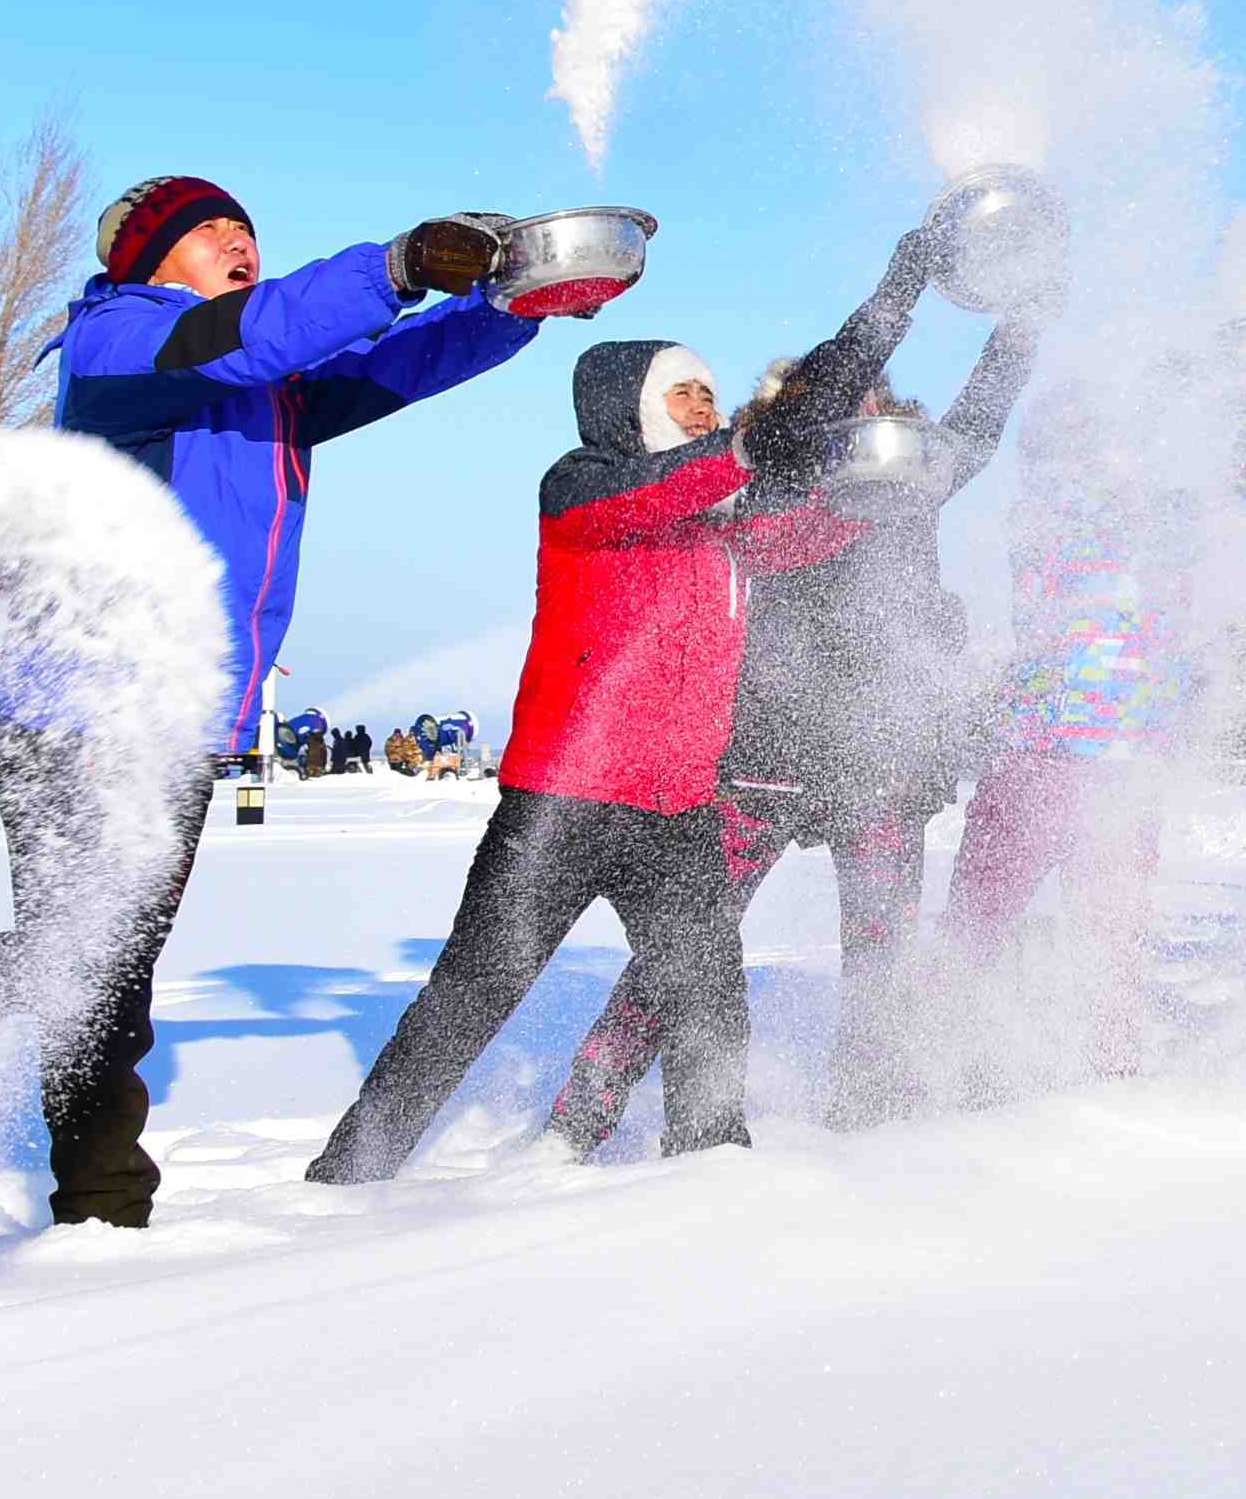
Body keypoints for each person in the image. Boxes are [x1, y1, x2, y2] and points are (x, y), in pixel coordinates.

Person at [0, 174, 537, 1229]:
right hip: (83, 711)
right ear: (148, 260)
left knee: (105, 969)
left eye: (248, 230)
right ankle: (73, 1178)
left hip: (177, 717)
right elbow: (251, 333)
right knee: (97, 968)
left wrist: (515, 303)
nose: (241, 242)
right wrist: (396, 267)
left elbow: (395, 364)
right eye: (212, 232)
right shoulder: (119, 347)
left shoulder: (259, 391)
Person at [311, 288, 901, 1185]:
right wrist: (745, 445)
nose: (705, 408)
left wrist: (879, 481)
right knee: (472, 998)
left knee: (708, 1005)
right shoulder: (581, 487)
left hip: (678, 812)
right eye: (684, 395)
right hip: (564, 806)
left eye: (710, 394)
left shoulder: (723, 526)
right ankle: (352, 1174)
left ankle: (711, 1169)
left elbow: (805, 523)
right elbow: (678, 483)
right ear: (629, 406)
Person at [553, 265, 1038, 1145]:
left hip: (884, 757)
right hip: (765, 753)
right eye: (825, 400)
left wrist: (1021, 330)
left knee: (883, 954)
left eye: (872, 399)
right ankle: (583, 1108)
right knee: (685, 950)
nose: (857, 412)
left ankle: (869, 1122)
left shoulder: (913, 473)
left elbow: (979, 425)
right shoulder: (763, 482)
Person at [946, 318, 1246, 1067]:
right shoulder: (1049, 512)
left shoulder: (1169, 521)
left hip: (1127, 774)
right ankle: (934, 1063)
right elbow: (1092, 465)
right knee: (978, 926)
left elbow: (1240, 492)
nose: (1117, 449)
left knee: (1111, 941)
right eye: (1095, 437)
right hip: (1037, 760)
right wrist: (1176, 376)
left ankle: (1105, 1080)